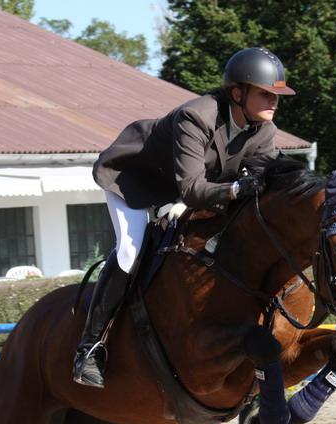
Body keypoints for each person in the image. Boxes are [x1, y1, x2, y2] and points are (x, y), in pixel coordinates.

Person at [73, 47, 296, 388]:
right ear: (238, 93)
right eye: (265, 93)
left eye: (276, 95)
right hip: (135, 181)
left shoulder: (263, 130)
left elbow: (259, 181)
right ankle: (89, 348)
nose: (273, 101)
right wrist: (237, 188)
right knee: (131, 251)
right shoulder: (197, 116)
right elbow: (192, 189)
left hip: (186, 189)